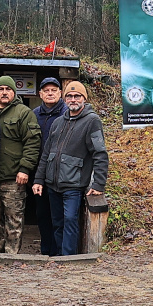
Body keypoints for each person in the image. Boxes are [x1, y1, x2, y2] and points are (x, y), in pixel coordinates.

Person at [32, 81, 108, 257]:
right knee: (57, 222)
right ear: (65, 99)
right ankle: (59, 256)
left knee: (70, 220)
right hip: (53, 184)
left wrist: (98, 184)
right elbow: (46, 154)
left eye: (77, 96)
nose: (73, 99)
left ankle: (68, 258)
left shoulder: (92, 121)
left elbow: (100, 154)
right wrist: (38, 179)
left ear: (84, 98)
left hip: (73, 184)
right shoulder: (58, 122)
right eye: (70, 96)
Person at [0, 76, 41, 254]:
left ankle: (11, 254)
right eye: (0, 89)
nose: (4, 92)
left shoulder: (24, 113)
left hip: (13, 177)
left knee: (13, 218)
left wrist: (25, 169)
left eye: (8, 89)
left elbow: (33, 142)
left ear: (14, 92)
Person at [32, 77, 67, 255]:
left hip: (61, 173)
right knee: (42, 214)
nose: (50, 93)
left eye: (54, 90)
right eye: (46, 90)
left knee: (58, 216)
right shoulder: (34, 114)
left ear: (60, 93)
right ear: (40, 94)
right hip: (39, 173)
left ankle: (58, 252)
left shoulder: (67, 113)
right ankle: (45, 250)